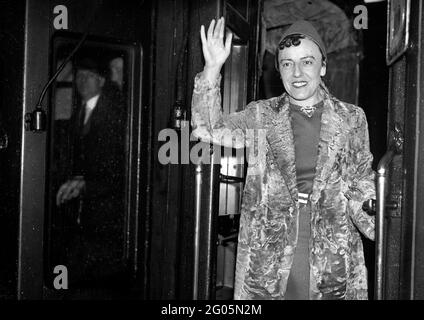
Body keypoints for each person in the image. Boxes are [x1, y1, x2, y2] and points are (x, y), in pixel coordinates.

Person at [191, 18, 375, 300]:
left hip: (332, 260)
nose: (297, 72)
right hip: (268, 262)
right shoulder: (261, 116)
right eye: (287, 63)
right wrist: (213, 68)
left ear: (323, 66)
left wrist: (383, 221)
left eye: (307, 61)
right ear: (279, 71)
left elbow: (361, 184)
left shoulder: (352, 118)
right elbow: (207, 128)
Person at [55, 53, 126, 287]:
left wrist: (86, 184)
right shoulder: (78, 113)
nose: (82, 80)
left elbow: (118, 170)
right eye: (79, 75)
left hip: (106, 212)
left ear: (102, 82)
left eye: (89, 76)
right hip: (82, 211)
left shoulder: (115, 114)